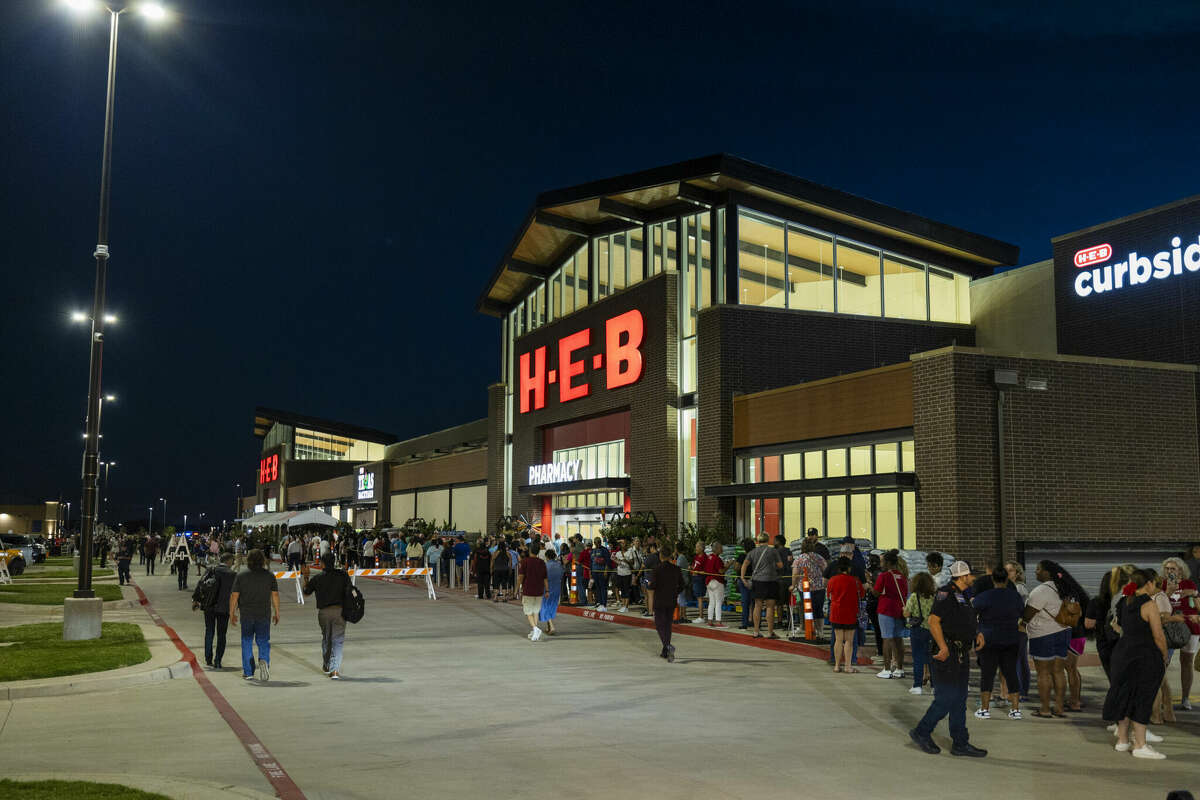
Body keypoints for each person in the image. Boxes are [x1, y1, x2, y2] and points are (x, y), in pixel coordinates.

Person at [909, 561, 987, 757]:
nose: (973, 578)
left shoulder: (962, 595)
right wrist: (943, 647)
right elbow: (933, 621)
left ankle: (960, 743)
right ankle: (922, 731)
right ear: (962, 577)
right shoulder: (946, 594)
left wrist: (976, 633)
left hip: (960, 653)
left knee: (959, 699)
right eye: (970, 575)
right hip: (948, 653)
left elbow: (964, 619)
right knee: (946, 698)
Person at [1103, 569, 1170, 759]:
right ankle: (1140, 745)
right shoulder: (1149, 604)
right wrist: (1164, 656)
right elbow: (1158, 636)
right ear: (1148, 584)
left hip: (1122, 653)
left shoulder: (1124, 601)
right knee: (1142, 697)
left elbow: (1120, 626)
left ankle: (1122, 740)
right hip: (1144, 655)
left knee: (1123, 695)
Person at [1022, 560, 1087, 718]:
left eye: (1038, 569)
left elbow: (1028, 615)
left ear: (1047, 572)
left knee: (1043, 673)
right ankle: (1059, 707)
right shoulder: (1065, 588)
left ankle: (1044, 709)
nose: (1035, 571)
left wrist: (1022, 623)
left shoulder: (1041, 591)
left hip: (1043, 634)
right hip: (1064, 633)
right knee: (1058, 672)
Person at [972, 564, 1025, 719]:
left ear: (992, 579)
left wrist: (977, 632)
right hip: (1011, 639)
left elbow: (971, 612)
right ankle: (1015, 710)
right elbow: (1022, 612)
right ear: (1007, 579)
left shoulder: (985, 596)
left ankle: (984, 709)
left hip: (989, 639)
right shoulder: (1014, 596)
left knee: (987, 674)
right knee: (1011, 673)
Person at [229, 549, 280, 682]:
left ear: (249, 560)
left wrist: (231, 613)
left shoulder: (241, 576)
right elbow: (274, 595)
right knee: (263, 641)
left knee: (246, 641)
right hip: (263, 614)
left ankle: (248, 672)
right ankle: (264, 661)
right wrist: (277, 612)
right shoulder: (269, 576)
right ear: (263, 560)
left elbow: (235, 596)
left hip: (246, 614)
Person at [301, 554, 350, 679]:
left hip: (324, 612)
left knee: (327, 639)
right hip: (340, 611)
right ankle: (335, 670)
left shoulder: (318, 578)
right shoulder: (343, 575)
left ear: (322, 563)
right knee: (337, 641)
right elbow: (350, 591)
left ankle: (327, 665)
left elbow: (306, 593)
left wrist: (306, 577)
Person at [1162, 556, 1199, 711]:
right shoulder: (1162, 585)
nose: (1170, 571)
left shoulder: (1189, 584)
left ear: (1181, 570)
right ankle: (1163, 698)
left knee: (1187, 662)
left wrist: (1195, 593)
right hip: (1169, 627)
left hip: (1190, 626)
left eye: (1173, 568)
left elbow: (1198, 607)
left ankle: (1185, 698)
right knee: (1164, 662)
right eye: (1167, 569)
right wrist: (1168, 591)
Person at [872, 550, 909, 679]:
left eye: (882, 561)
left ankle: (887, 669)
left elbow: (876, 593)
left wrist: (870, 585)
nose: (881, 564)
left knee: (886, 638)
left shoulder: (884, 576)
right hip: (899, 610)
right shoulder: (903, 576)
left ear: (888, 562)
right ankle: (899, 668)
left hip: (886, 609)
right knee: (898, 639)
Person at [195, 552, 236, 669]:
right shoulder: (232, 574)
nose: (233, 563)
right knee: (221, 635)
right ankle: (218, 661)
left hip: (209, 606)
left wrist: (196, 600)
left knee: (209, 632)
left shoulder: (211, 569)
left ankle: (208, 659)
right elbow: (235, 593)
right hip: (224, 608)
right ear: (228, 561)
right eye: (232, 561)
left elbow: (200, 584)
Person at [740, 533, 784, 639]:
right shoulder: (773, 551)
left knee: (757, 606)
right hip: (771, 581)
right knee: (770, 606)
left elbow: (745, 564)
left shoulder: (752, 552)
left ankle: (756, 631)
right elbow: (780, 565)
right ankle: (770, 632)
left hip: (757, 581)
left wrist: (743, 578)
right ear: (768, 540)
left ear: (758, 541)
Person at [827, 558, 864, 673]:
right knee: (849, 641)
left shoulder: (832, 580)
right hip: (851, 613)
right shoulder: (855, 581)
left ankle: (837, 666)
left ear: (838, 568)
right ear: (849, 568)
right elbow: (862, 595)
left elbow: (829, 595)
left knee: (838, 640)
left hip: (836, 612)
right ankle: (848, 666)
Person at [648, 543, 684, 662]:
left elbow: (653, 586)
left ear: (661, 556)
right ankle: (665, 650)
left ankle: (667, 646)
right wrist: (675, 592)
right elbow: (683, 585)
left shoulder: (657, 569)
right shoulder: (676, 569)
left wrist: (649, 584)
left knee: (659, 624)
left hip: (659, 600)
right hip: (671, 600)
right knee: (668, 625)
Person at [904, 571, 936, 695]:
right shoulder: (934, 596)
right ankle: (935, 686)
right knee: (932, 658)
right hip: (933, 630)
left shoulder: (913, 597)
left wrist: (904, 610)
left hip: (917, 629)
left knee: (918, 658)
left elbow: (907, 613)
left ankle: (917, 686)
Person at [792, 539, 827, 639]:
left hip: (805, 589)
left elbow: (795, 574)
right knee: (818, 609)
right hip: (819, 587)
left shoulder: (799, 559)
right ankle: (820, 631)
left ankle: (809, 629)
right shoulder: (819, 558)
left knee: (807, 609)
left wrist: (793, 585)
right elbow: (825, 570)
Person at [518, 545, 548, 641]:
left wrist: (517, 588)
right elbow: (545, 578)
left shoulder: (525, 562)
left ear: (530, 551)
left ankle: (535, 629)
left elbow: (521, 576)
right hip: (539, 590)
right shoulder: (542, 562)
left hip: (528, 589)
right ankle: (535, 631)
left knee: (528, 611)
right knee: (535, 611)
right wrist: (547, 590)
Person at [701, 542, 727, 627]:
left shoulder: (709, 557)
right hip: (717, 582)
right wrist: (728, 565)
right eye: (721, 547)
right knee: (719, 602)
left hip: (709, 582)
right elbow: (721, 571)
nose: (722, 549)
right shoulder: (717, 559)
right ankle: (718, 622)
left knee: (711, 602)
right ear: (718, 549)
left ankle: (710, 621)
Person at [540, 549, 563, 635]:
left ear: (547, 557)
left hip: (547, 589)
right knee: (552, 606)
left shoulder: (545, 566)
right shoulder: (559, 565)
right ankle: (548, 627)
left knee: (545, 606)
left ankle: (551, 626)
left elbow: (542, 577)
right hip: (557, 588)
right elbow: (561, 575)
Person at [590, 537, 613, 612]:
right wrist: (591, 572)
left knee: (603, 588)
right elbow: (591, 561)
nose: (598, 543)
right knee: (598, 588)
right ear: (594, 543)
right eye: (596, 542)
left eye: (599, 542)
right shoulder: (593, 551)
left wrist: (606, 571)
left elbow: (608, 561)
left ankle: (604, 605)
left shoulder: (604, 550)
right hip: (595, 572)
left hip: (602, 572)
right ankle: (600, 603)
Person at [689, 541, 707, 623]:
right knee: (698, 598)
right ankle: (701, 616)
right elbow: (694, 566)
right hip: (695, 579)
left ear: (702, 548)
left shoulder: (704, 557)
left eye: (697, 547)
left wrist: (697, 572)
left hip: (700, 579)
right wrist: (691, 568)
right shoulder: (696, 556)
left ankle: (701, 617)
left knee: (700, 598)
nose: (695, 548)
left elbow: (706, 571)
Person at [640, 542, 659, 617]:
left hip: (650, 577)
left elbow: (643, 565)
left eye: (650, 548)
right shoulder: (659, 555)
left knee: (650, 595)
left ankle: (651, 612)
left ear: (652, 548)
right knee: (655, 596)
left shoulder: (651, 556)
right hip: (657, 577)